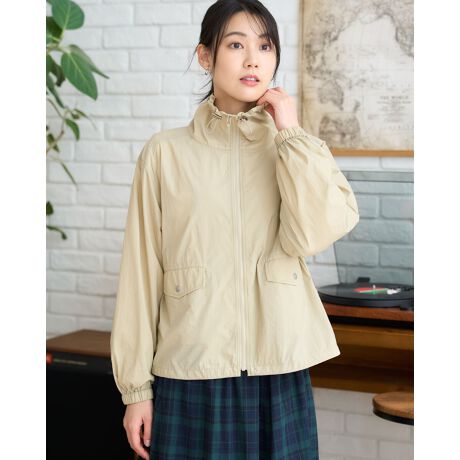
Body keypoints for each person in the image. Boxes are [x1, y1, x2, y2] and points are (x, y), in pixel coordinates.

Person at [110, 1, 360, 459]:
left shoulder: (294, 147)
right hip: (192, 369)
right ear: (205, 56)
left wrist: (290, 132)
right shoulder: (164, 154)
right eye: (236, 45)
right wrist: (135, 390)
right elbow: (140, 276)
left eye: (265, 47)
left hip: (278, 368)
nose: (253, 60)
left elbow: (315, 233)